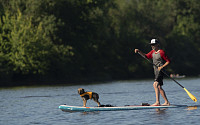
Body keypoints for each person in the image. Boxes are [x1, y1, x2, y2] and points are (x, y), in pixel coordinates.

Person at [135, 39, 170, 106]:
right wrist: (139, 51)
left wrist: (162, 67)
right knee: (159, 87)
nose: (152, 46)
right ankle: (167, 102)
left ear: (157, 45)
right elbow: (146, 56)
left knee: (155, 84)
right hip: (156, 71)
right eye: (151, 45)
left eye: (153, 45)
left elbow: (168, 61)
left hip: (161, 71)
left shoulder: (162, 52)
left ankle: (157, 102)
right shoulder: (152, 52)